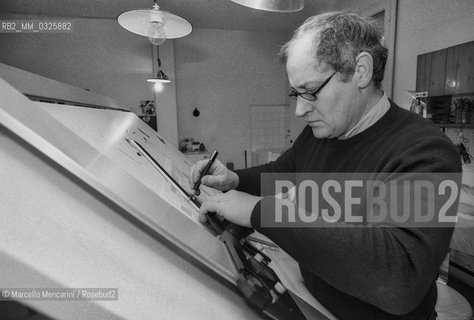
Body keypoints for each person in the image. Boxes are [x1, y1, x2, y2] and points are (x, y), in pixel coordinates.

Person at [190, 11, 461, 320]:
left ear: (361, 71)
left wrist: (259, 211)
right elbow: (283, 175)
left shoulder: (426, 152)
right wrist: (233, 180)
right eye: (296, 93)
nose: (301, 109)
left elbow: (399, 279)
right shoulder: (321, 133)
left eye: (311, 91)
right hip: (316, 303)